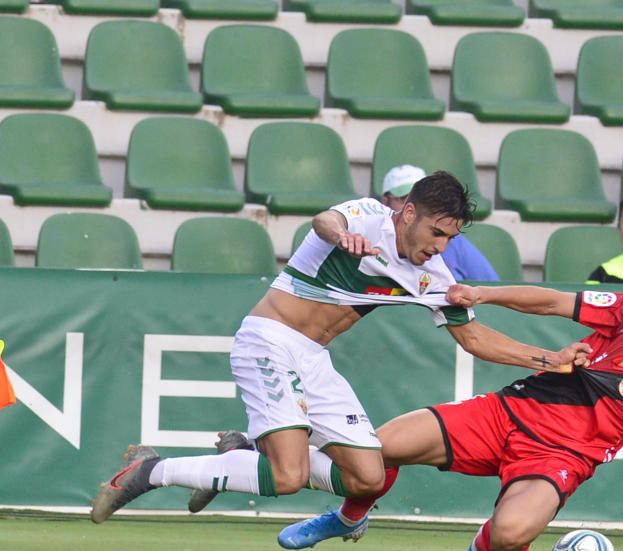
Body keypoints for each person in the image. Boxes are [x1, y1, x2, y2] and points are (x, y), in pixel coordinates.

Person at [90, 172, 590, 526]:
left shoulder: (430, 273)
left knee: (368, 481)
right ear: (408, 211)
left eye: (449, 239)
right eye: (435, 233)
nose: (439, 247)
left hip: (313, 360)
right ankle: (150, 471)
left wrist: (549, 359)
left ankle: (244, 454)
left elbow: (474, 337)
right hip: (268, 338)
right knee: (288, 476)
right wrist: (344, 237)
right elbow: (322, 221)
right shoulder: (367, 218)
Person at [277, 284, 623, 551]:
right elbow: (551, 301)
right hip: (502, 413)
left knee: (511, 534)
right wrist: (483, 294)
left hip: (559, 459)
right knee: (372, 449)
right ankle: (348, 517)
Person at [382, 165, 499, 282]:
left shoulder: (457, 243)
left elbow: (491, 284)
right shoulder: (369, 232)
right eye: (404, 198)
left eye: (429, 200)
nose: (442, 248)